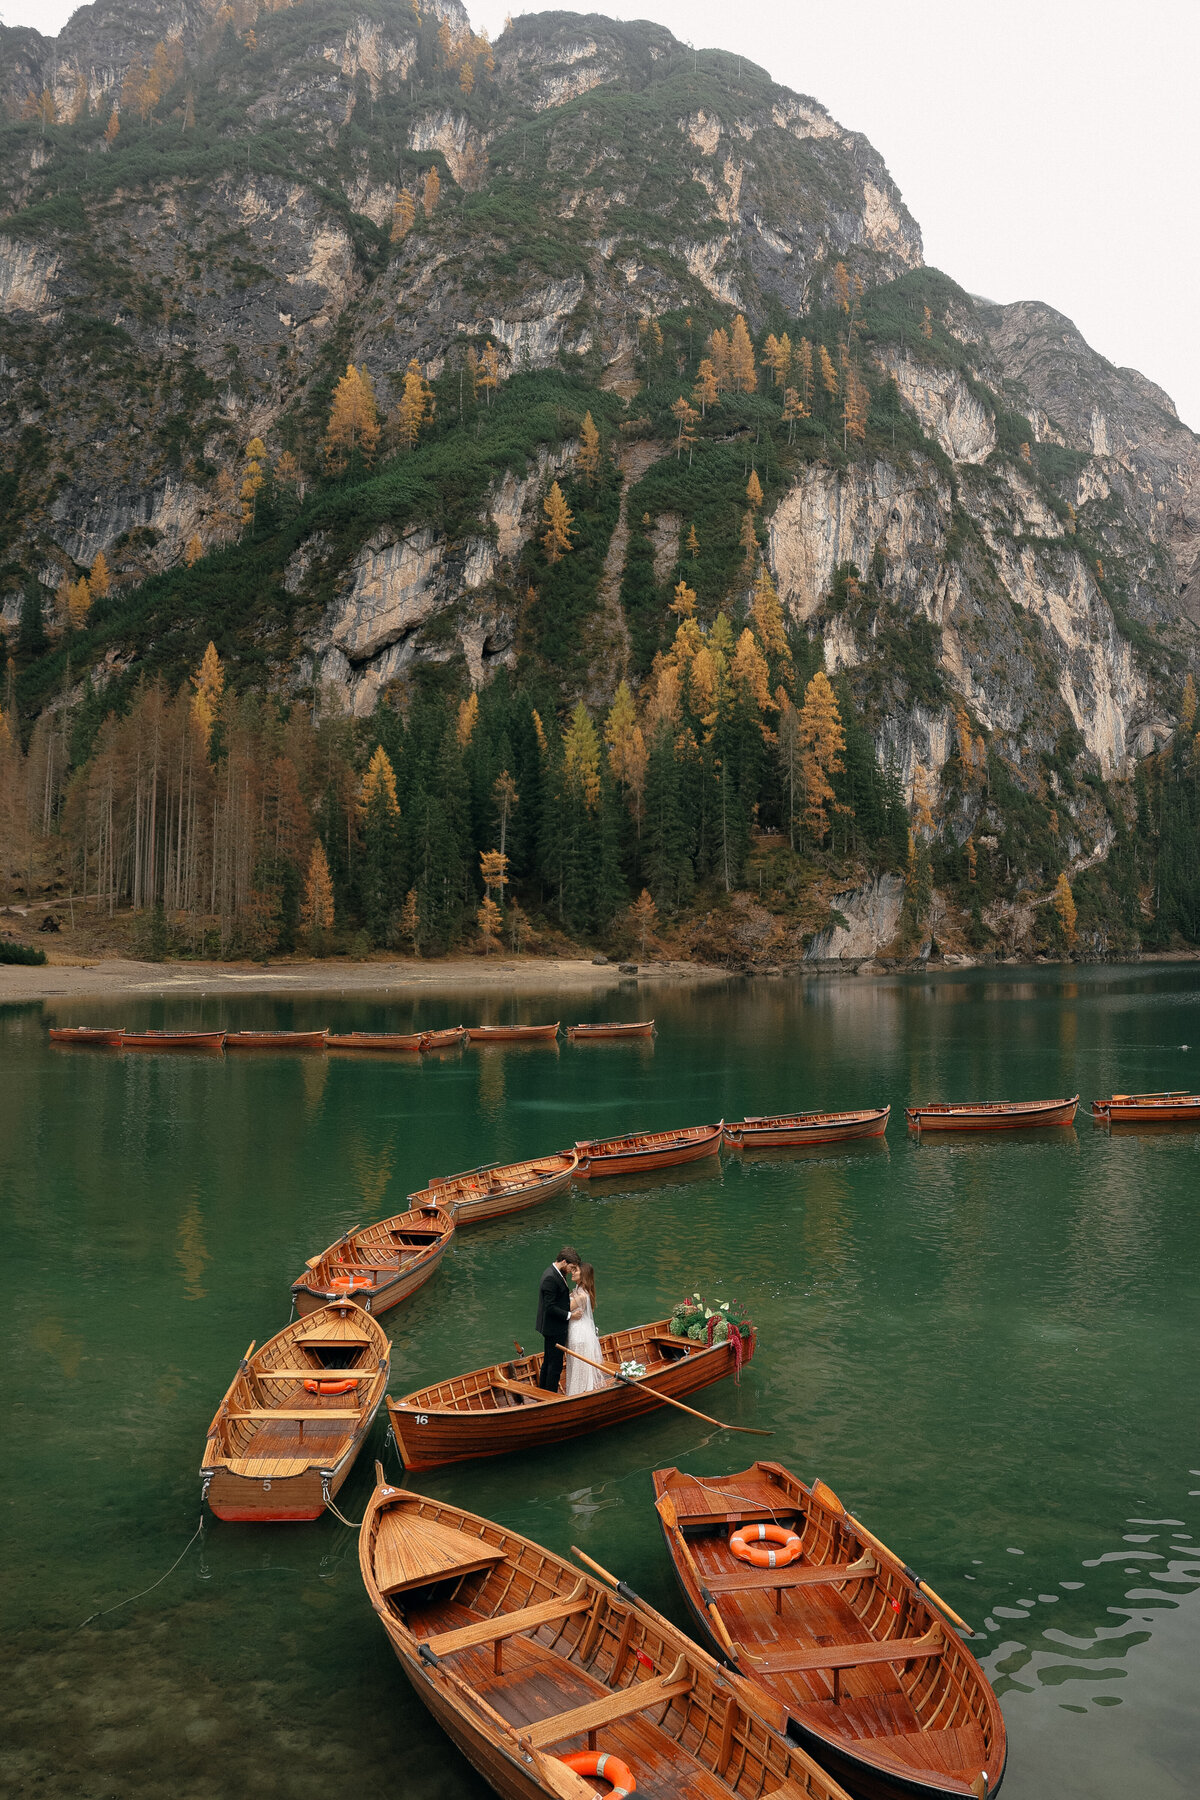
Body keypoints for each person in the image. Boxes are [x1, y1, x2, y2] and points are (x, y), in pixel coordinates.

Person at [536, 1246, 580, 1391]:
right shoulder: (551, 1277)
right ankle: (550, 1394)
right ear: (564, 1262)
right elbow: (550, 1307)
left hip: (552, 1326)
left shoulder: (556, 1273)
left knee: (549, 1361)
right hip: (554, 1328)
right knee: (555, 1365)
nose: (572, 1271)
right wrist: (570, 1315)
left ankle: (543, 1391)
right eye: (571, 1267)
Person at [565, 1262, 608, 1397]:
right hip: (578, 1331)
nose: (572, 1272)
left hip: (579, 1335)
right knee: (576, 1366)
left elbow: (565, 1308)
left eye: (576, 1270)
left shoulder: (582, 1295)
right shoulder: (579, 1290)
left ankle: (578, 1395)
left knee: (578, 1368)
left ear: (583, 1274)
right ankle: (578, 1393)